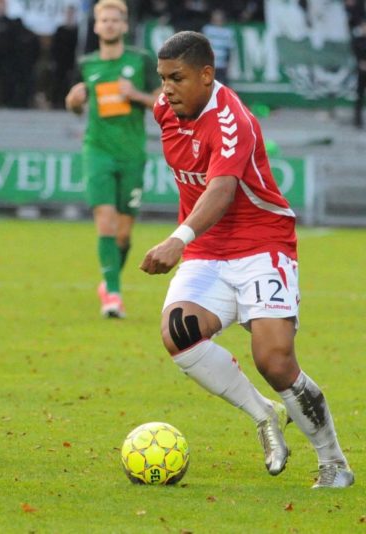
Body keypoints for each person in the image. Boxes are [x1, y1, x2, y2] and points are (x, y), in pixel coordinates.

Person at [140, 31, 354, 488]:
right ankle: (264, 415)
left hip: (261, 244)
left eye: (177, 78)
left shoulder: (231, 119)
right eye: (162, 78)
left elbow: (221, 190)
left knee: (274, 362)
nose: (167, 89)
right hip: (208, 250)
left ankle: (334, 463)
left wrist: (177, 239)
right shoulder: (165, 109)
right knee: (179, 332)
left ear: (206, 75)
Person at [65, 0, 160, 318]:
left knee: (123, 234)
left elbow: (162, 103)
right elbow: (77, 107)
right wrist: (73, 102)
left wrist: (136, 95)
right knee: (105, 221)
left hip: (132, 153)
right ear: (95, 26)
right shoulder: (86, 64)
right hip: (97, 151)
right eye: (104, 20)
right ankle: (114, 297)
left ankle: (108, 283)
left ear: (124, 25)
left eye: (115, 20)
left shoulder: (141, 60)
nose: (109, 24)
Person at [345, 0, 366, 128]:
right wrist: (361, 63)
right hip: (361, 71)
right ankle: (357, 121)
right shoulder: (358, 41)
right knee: (359, 95)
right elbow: (356, 54)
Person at [202, 8, 235, 85]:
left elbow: (229, 50)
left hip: (222, 65)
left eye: (219, 19)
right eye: (215, 19)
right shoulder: (207, 30)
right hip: (210, 64)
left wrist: (229, 65)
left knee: (223, 86)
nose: (217, 21)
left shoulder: (228, 32)